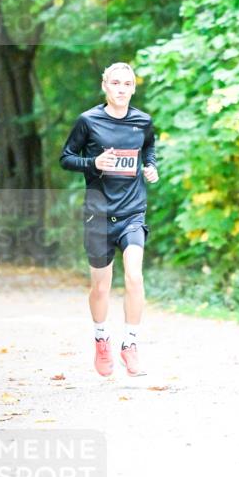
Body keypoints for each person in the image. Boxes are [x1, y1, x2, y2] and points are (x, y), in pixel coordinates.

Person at [60, 62, 159, 377]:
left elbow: (150, 148)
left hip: (132, 212)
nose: (120, 88)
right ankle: (102, 339)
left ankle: (129, 344)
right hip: (99, 214)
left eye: (126, 84)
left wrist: (151, 166)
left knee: (134, 277)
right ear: (105, 86)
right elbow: (66, 158)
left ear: (133, 87)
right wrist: (94, 162)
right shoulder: (88, 121)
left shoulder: (143, 121)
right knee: (101, 287)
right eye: (115, 83)